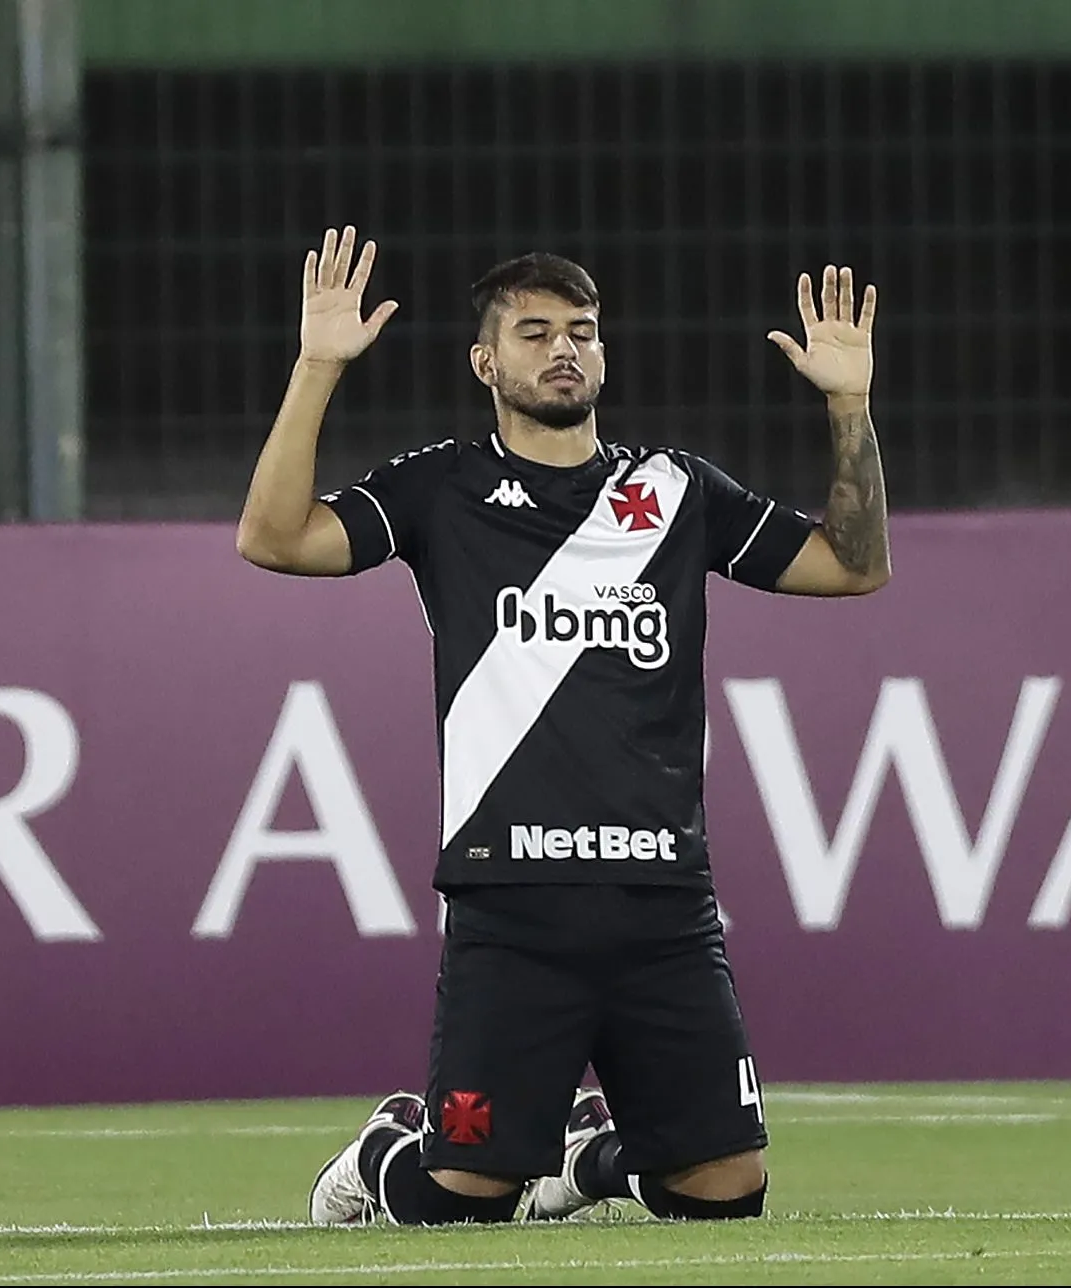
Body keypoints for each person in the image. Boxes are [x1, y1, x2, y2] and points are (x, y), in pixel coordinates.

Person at [236, 227, 890, 1226]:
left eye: (580, 330)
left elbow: (852, 564)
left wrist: (847, 402)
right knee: (462, 1205)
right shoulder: (442, 488)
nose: (563, 349)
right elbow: (273, 538)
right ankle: (383, 1152)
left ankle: (587, 1164)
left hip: (662, 899)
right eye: (533, 332)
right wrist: (317, 366)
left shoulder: (674, 491)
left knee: (724, 1194)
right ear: (484, 362)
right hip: (512, 901)